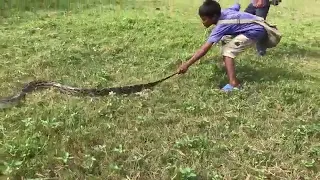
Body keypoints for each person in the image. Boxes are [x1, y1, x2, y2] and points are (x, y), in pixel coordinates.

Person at [176, 0, 268, 92]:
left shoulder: (221, 26)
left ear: (214, 16)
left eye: (204, 19)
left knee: (228, 51)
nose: (202, 22)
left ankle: (234, 84)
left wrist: (187, 65)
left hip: (255, 31)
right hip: (254, 27)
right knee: (225, 40)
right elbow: (236, 6)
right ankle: (227, 65)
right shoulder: (224, 11)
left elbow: (204, 49)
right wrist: (237, 3)